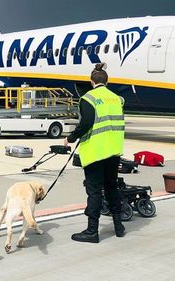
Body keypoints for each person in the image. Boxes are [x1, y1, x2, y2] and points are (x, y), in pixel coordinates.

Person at [64, 62, 125, 243]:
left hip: (96, 152)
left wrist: (71, 137)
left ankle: (92, 231)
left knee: (94, 191)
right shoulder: (117, 99)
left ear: (91, 82)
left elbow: (87, 123)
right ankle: (118, 226)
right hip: (114, 151)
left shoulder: (88, 98)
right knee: (112, 187)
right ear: (106, 81)